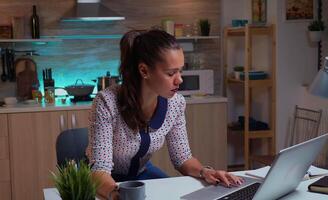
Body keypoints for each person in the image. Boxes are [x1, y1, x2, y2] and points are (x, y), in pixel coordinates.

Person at [87, 29, 244, 199]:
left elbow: (183, 158)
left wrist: (206, 171)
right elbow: (99, 170)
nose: (179, 80)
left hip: (141, 175)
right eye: (171, 73)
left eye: (180, 71)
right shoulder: (107, 102)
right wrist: (118, 196)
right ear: (144, 71)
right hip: (104, 181)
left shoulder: (175, 104)